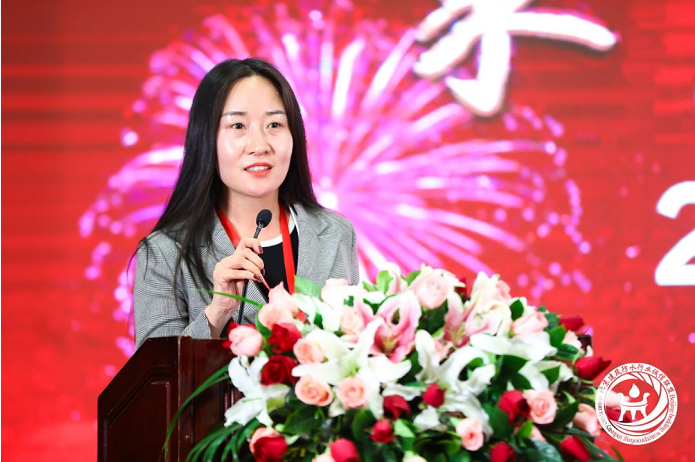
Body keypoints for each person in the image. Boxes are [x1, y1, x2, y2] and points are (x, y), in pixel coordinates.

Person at [133, 58, 359, 350]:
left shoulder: (336, 233)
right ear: (207, 139)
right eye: (237, 125)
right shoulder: (165, 252)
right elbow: (157, 373)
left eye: (274, 124)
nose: (260, 145)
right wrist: (216, 314)